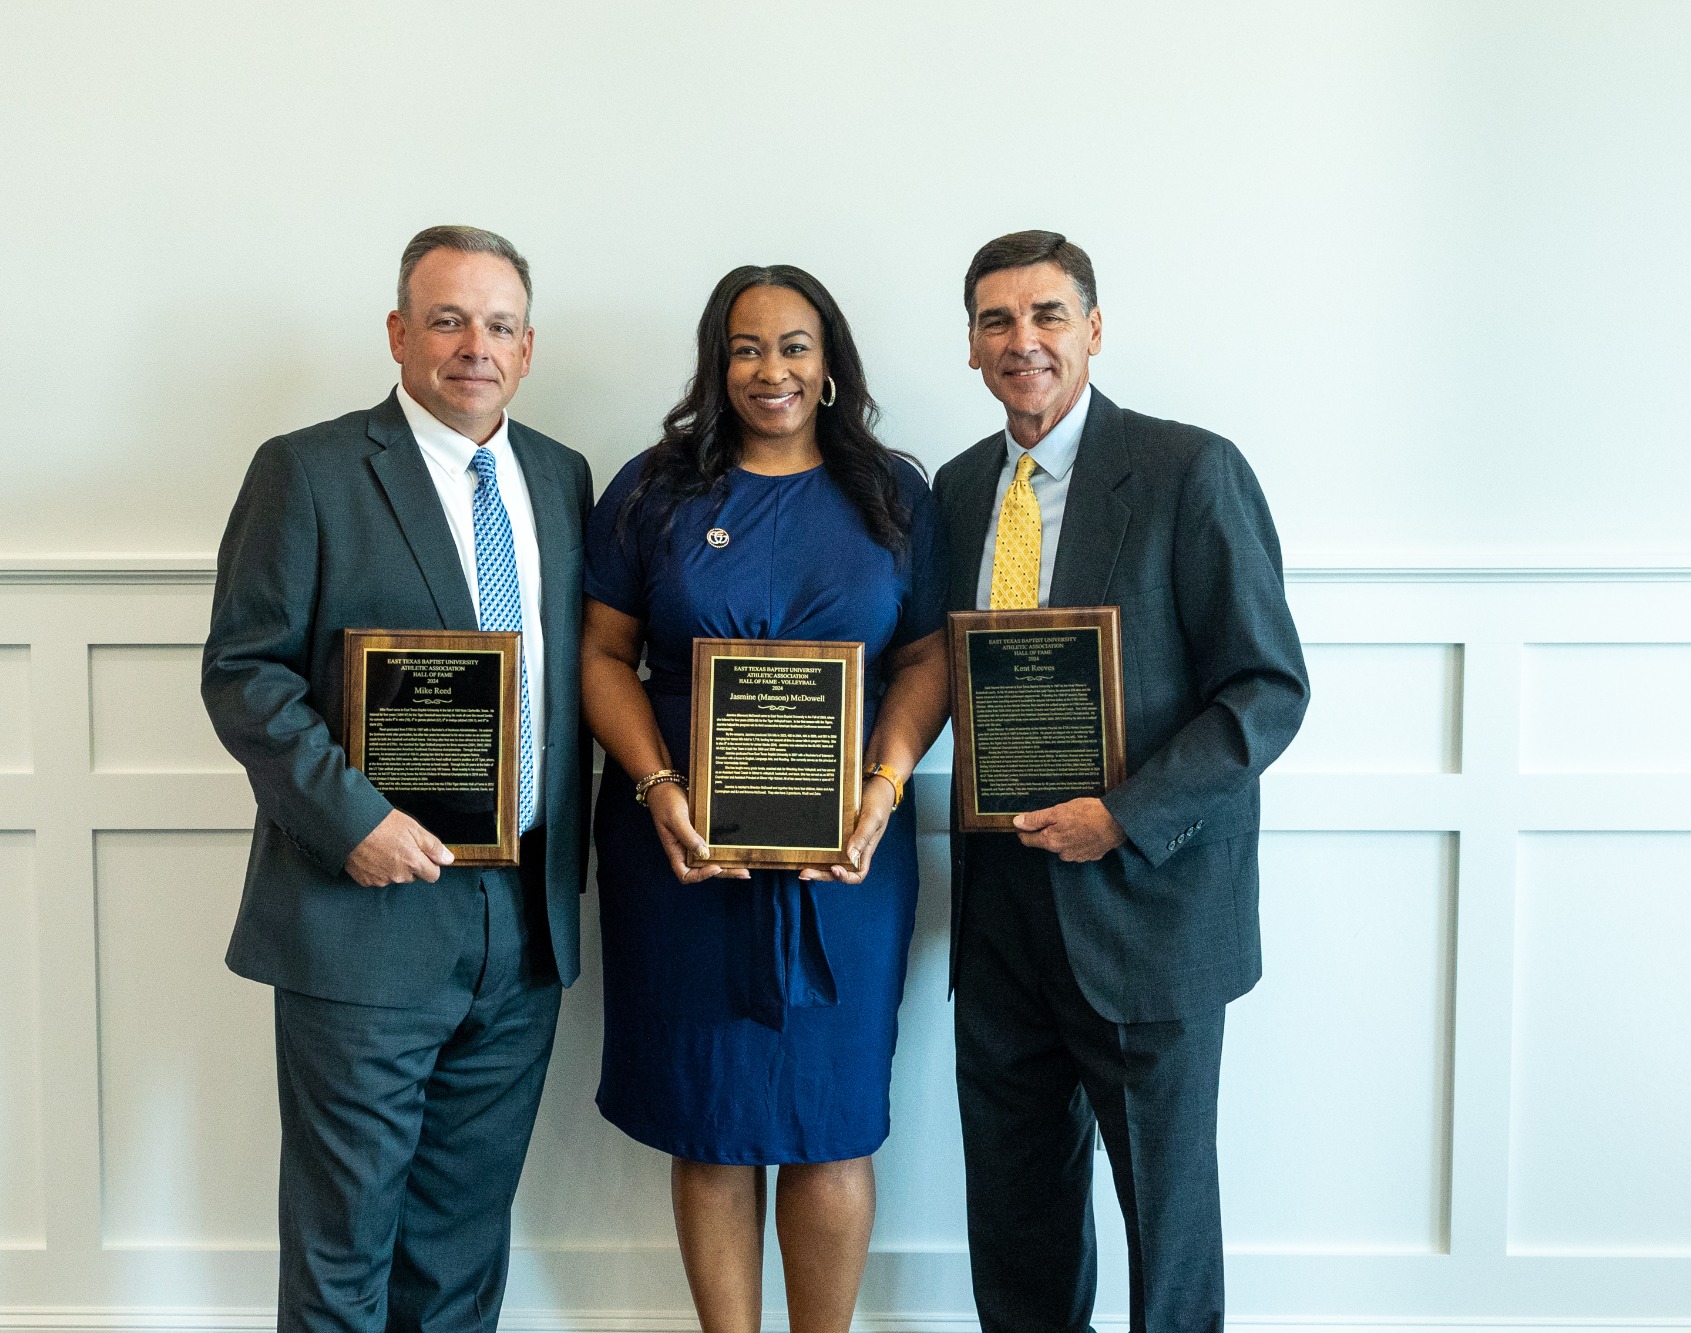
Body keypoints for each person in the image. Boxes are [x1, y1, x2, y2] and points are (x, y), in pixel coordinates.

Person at [202, 225, 592, 1331]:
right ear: (397, 332)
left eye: (499, 324)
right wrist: (353, 820)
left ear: (528, 346)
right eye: (447, 319)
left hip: (520, 923)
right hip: (361, 911)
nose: (475, 345)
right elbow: (244, 675)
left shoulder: (560, 477)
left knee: (461, 1255)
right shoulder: (309, 470)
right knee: (343, 1248)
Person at [933, 231, 1309, 1332]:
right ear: (968, 346)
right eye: (996, 321)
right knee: (1014, 1219)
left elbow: (1265, 688)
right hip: (1001, 915)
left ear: (1091, 331)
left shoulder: (1192, 471)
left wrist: (1122, 818)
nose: (1022, 341)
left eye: (1047, 316)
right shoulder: (956, 491)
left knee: (1166, 1223)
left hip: (1146, 910)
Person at [580, 265, 951, 1333]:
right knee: (709, 1122)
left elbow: (926, 660)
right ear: (716, 362)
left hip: (849, 861)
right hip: (680, 852)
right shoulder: (654, 490)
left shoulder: (892, 493)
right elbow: (604, 655)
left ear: (829, 361)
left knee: (831, 1122)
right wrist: (655, 785)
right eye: (745, 348)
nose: (770, 369)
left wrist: (882, 787)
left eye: (793, 345)